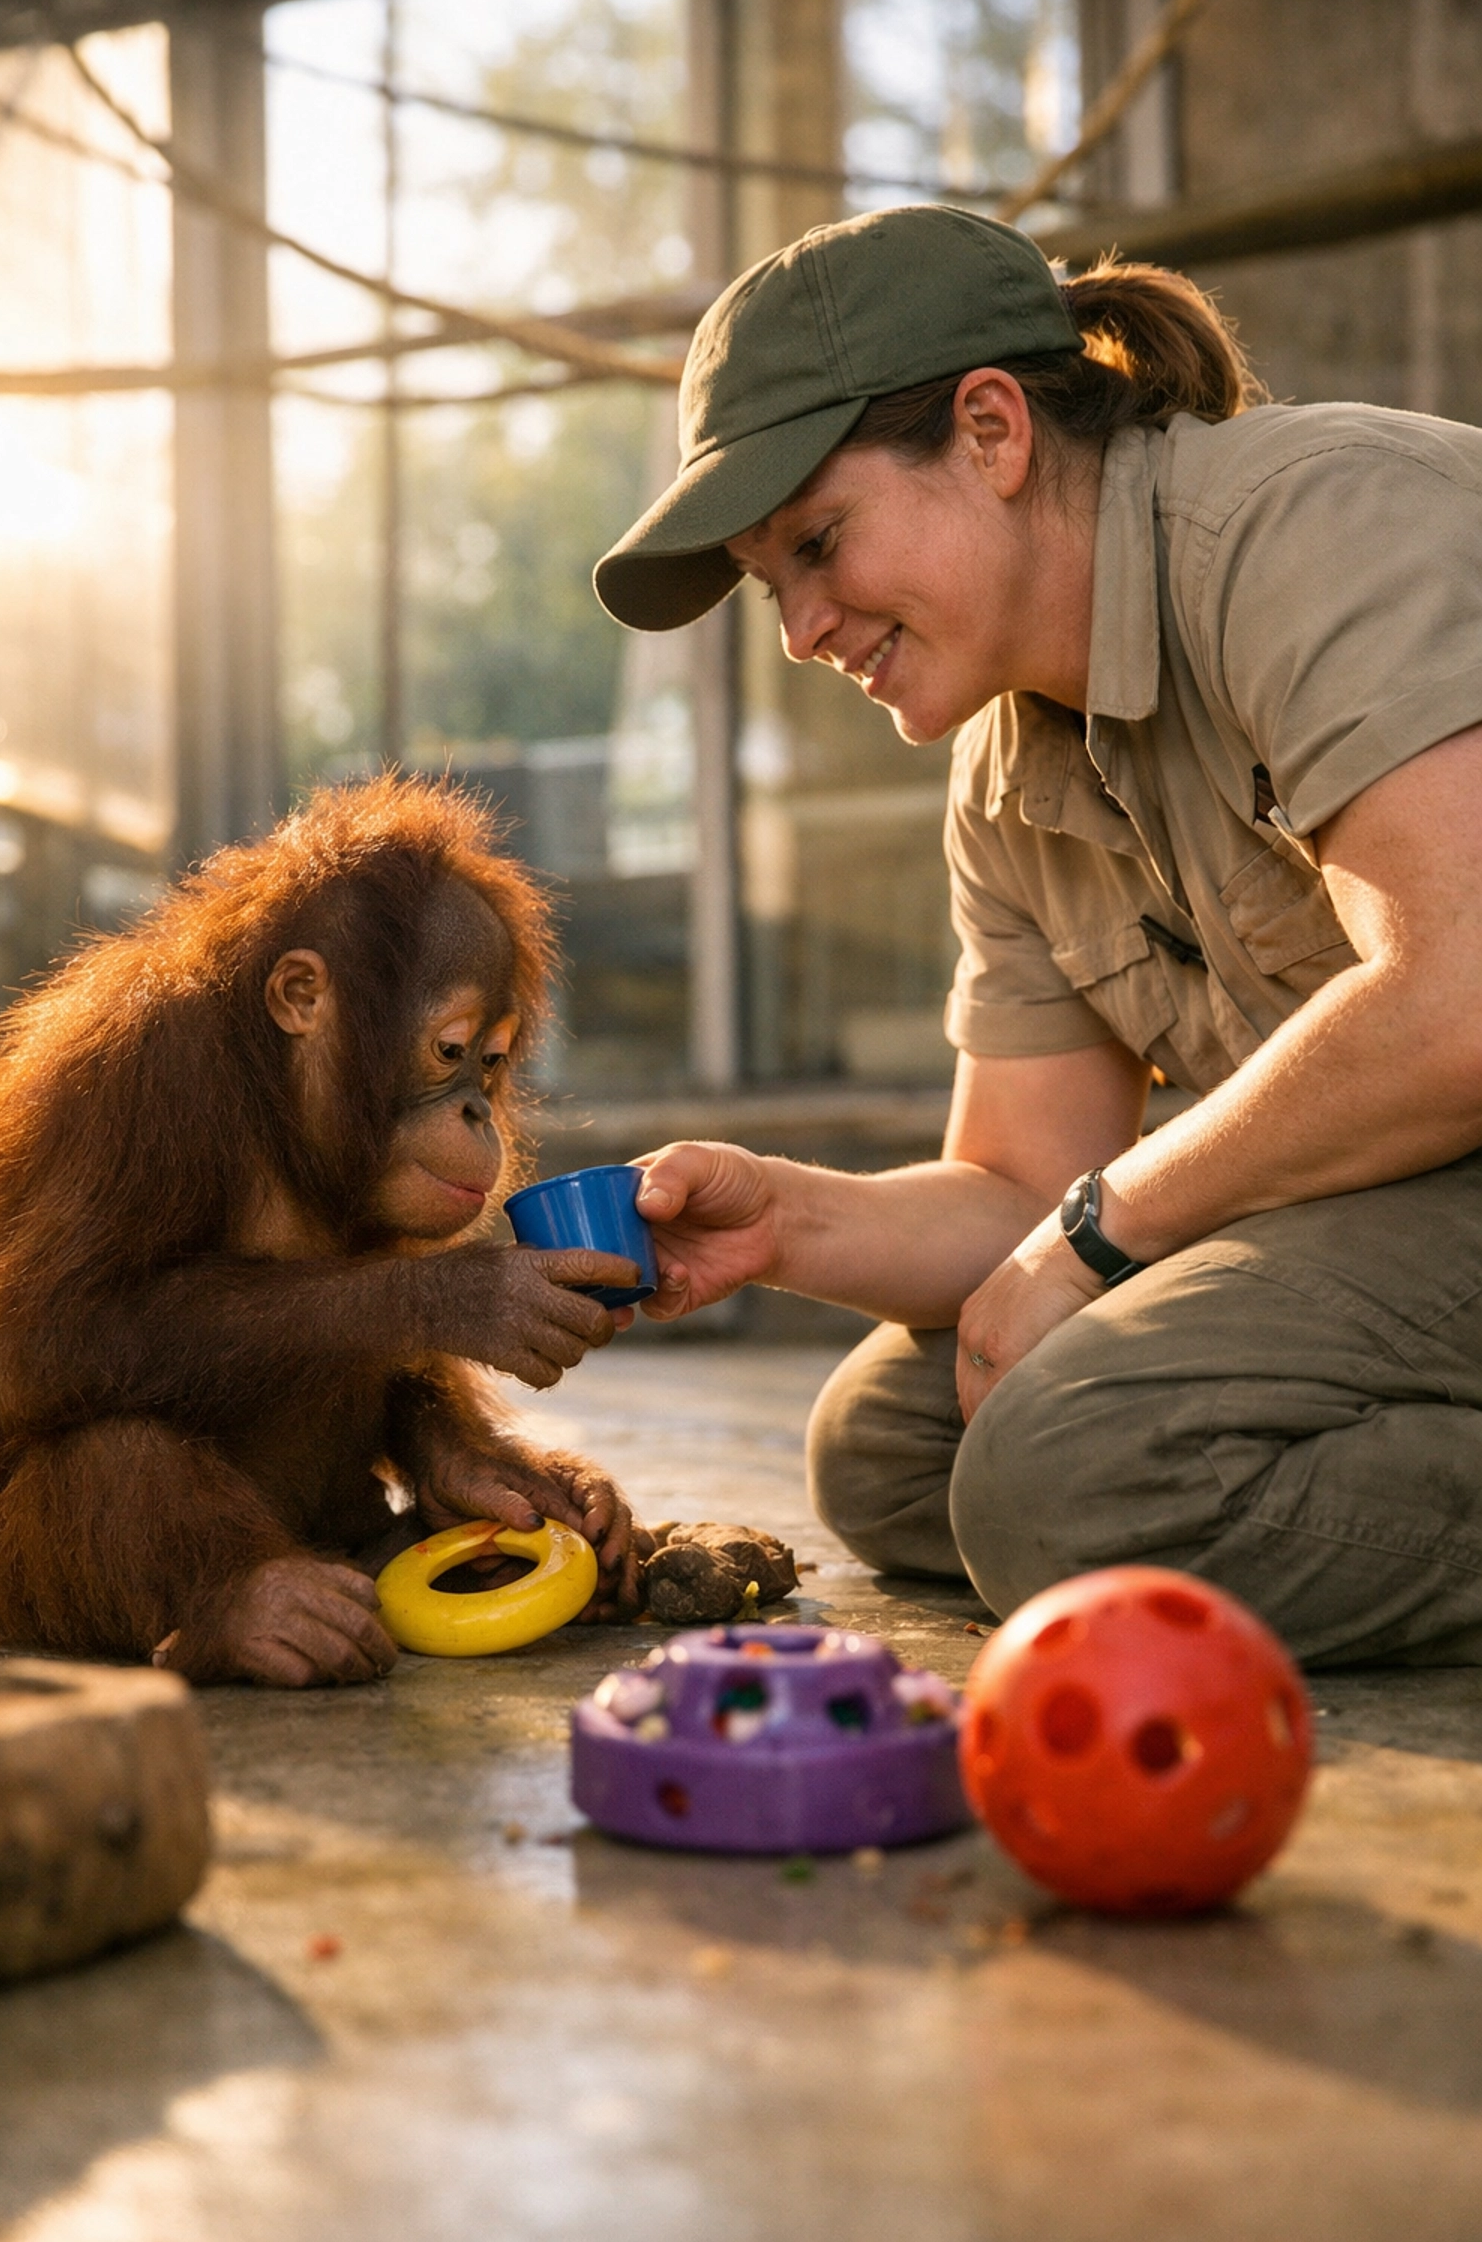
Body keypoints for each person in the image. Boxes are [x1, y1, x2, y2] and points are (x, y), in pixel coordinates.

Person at [590, 202, 1482, 1668]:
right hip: (1429, 1186)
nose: (803, 629)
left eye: (820, 542)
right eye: (772, 586)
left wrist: (1102, 1236)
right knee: (896, 1445)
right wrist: (786, 1221)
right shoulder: (1010, 773)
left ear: (993, 432)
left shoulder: (1311, 526)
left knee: (1062, 1473)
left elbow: (1458, 995)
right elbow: (1022, 1177)